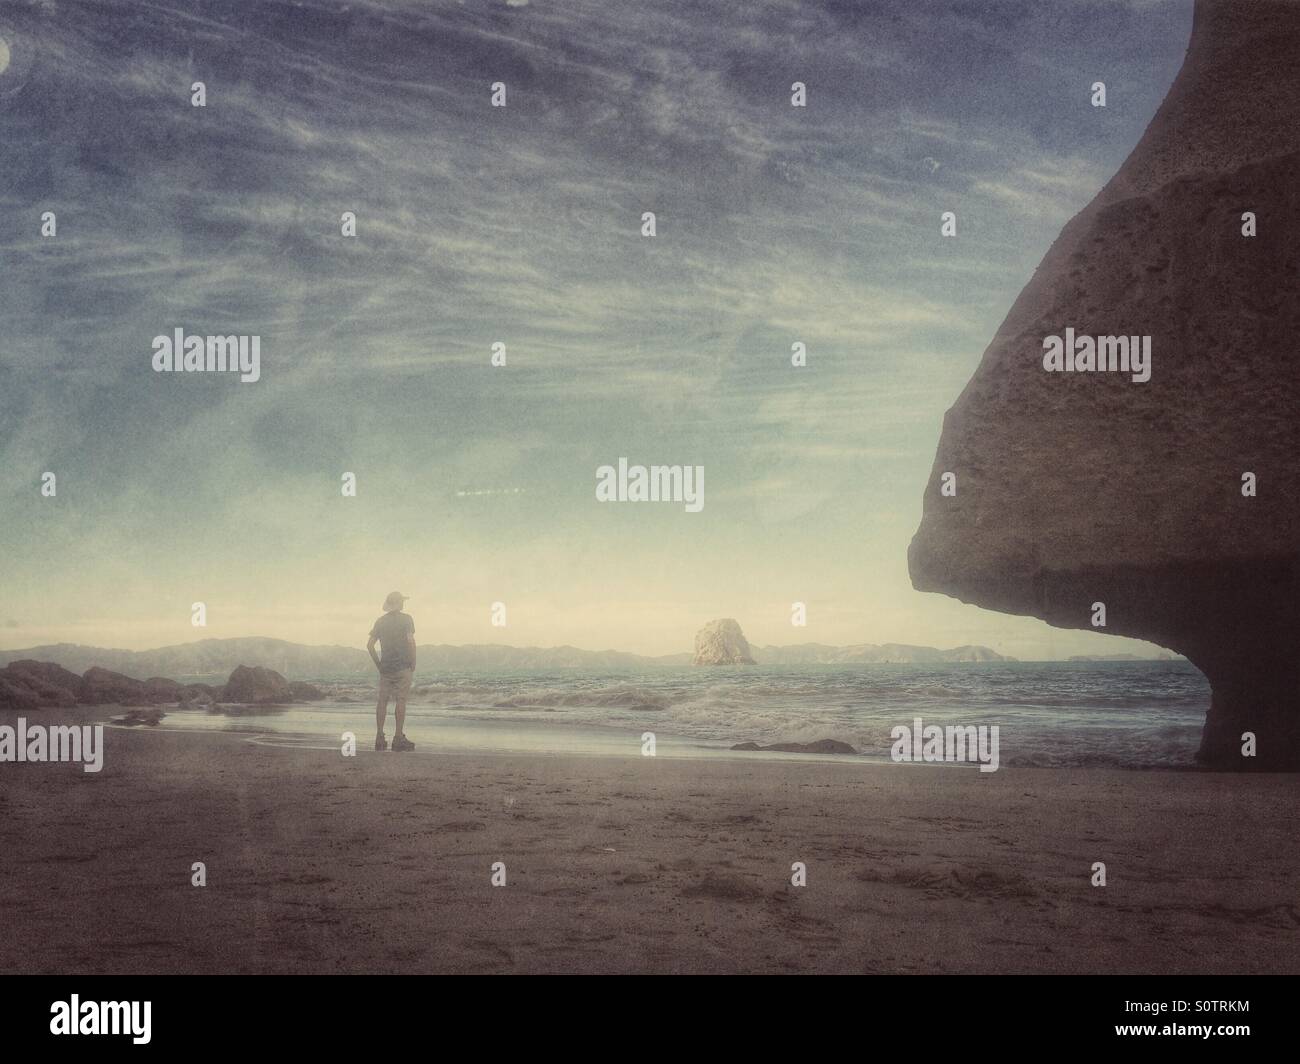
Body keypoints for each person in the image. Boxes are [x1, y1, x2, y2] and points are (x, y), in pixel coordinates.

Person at [368, 591, 417, 751]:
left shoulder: (380, 621)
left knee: (382, 701)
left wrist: (379, 664)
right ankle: (397, 738)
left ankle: (379, 737)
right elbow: (411, 641)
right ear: (399, 603)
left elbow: (369, 645)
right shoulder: (407, 619)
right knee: (400, 700)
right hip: (403, 666)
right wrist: (413, 661)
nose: (403, 603)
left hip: (386, 668)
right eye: (402, 601)